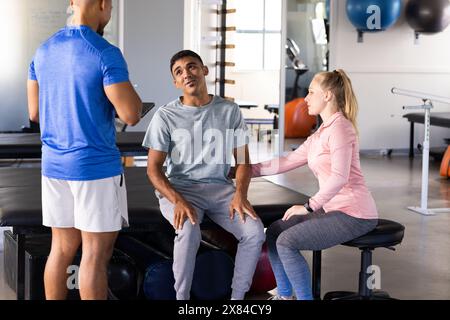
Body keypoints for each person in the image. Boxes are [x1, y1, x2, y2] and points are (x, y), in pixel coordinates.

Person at [27, 0, 142, 300]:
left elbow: (34, 112)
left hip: (53, 168)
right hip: (94, 169)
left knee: (61, 250)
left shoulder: (43, 50)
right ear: (104, 4)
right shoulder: (105, 52)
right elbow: (130, 114)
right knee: (93, 256)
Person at [143, 50, 265, 300]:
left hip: (221, 190)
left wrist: (240, 194)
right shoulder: (165, 116)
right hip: (181, 189)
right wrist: (177, 199)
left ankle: (237, 299)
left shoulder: (229, 110)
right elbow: (153, 169)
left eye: (192, 67)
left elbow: (243, 162)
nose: (186, 73)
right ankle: (182, 299)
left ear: (204, 70)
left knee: (254, 232)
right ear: (176, 82)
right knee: (188, 231)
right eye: (179, 72)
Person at [252, 69, 378, 300]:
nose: (306, 98)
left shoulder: (340, 128)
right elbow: (287, 161)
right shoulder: (321, 132)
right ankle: (284, 294)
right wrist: (245, 170)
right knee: (276, 231)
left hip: (355, 214)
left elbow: (339, 177)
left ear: (328, 95)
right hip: (333, 209)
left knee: (287, 241)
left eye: (311, 92)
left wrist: (309, 206)